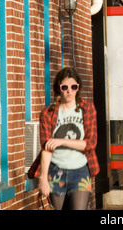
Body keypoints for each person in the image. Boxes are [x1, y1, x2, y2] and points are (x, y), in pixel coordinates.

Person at [28, 67, 99, 210]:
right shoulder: (48, 113)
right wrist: (42, 179)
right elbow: (46, 149)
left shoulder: (87, 109)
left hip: (80, 170)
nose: (69, 91)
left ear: (78, 88)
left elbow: (90, 144)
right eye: (65, 87)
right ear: (58, 89)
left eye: (74, 87)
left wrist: (62, 141)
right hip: (55, 170)